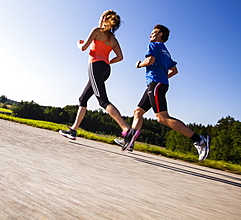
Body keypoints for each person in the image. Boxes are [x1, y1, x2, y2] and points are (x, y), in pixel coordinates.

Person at [115, 24, 211, 161]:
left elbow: (150, 60)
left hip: (155, 84)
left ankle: (200, 140)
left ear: (160, 34)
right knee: (138, 112)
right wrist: (162, 78)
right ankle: (129, 142)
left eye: (153, 33)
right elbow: (174, 70)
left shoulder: (154, 45)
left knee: (162, 118)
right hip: (157, 84)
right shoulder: (166, 51)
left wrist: (139, 65)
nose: (150, 35)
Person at [59, 10, 131, 140]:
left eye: (100, 18)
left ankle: (126, 129)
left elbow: (83, 48)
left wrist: (78, 43)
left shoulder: (97, 31)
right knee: (83, 99)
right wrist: (107, 61)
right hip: (106, 69)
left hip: (95, 66)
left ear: (104, 19)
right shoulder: (113, 39)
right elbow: (120, 57)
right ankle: (73, 130)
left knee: (102, 101)